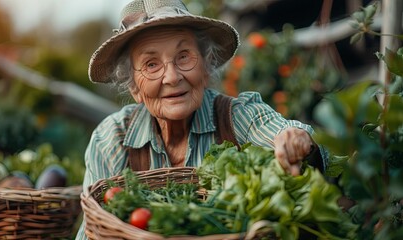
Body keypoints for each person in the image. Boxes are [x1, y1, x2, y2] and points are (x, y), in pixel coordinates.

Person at [76, 0, 327, 238]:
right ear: (134, 88)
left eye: (184, 56)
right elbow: (92, 230)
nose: (172, 77)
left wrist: (296, 139)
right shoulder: (111, 139)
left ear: (207, 66)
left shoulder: (237, 116)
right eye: (151, 64)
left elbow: (286, 132)